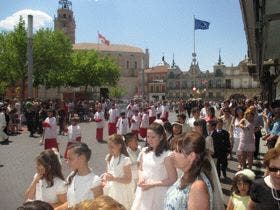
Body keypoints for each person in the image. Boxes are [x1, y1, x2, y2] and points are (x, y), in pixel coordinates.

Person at [131, 122, 177, 210]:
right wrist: (141, 178)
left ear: (161, 137)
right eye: (148, 137)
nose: (149, 140)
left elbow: (173, 179)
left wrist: (152, 184)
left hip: (159, 193)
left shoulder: (167, 155)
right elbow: (140, 168)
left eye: (153, 137)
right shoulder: (144, 151)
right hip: (143, 191)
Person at [164, 131, 214, 210]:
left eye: (178, 151)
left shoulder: (198, 187)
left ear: (191, 156)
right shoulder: (186, 175)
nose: (172, 154)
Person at [56, 142, 103, 210]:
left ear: (82, 158)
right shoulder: (71, 176)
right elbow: (71, 202)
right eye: (67, 159)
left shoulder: (95, 182)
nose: (67, 162)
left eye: (70, 159)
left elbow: (99, 207)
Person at [103, 134, 134, 209]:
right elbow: (108, 172)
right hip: (111, 189)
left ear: (120, 146)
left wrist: (114, 179)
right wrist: (104, 179)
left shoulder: (125, 160)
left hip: (122, 191)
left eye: (112, 147)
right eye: (109, 147)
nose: (110, 149)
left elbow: (128, 179)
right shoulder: (109, 158)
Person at [248, 144, 280, 210]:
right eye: (273, 169)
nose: (278, 173)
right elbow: (251, 207)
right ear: (267, 168)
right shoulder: (258, 186)